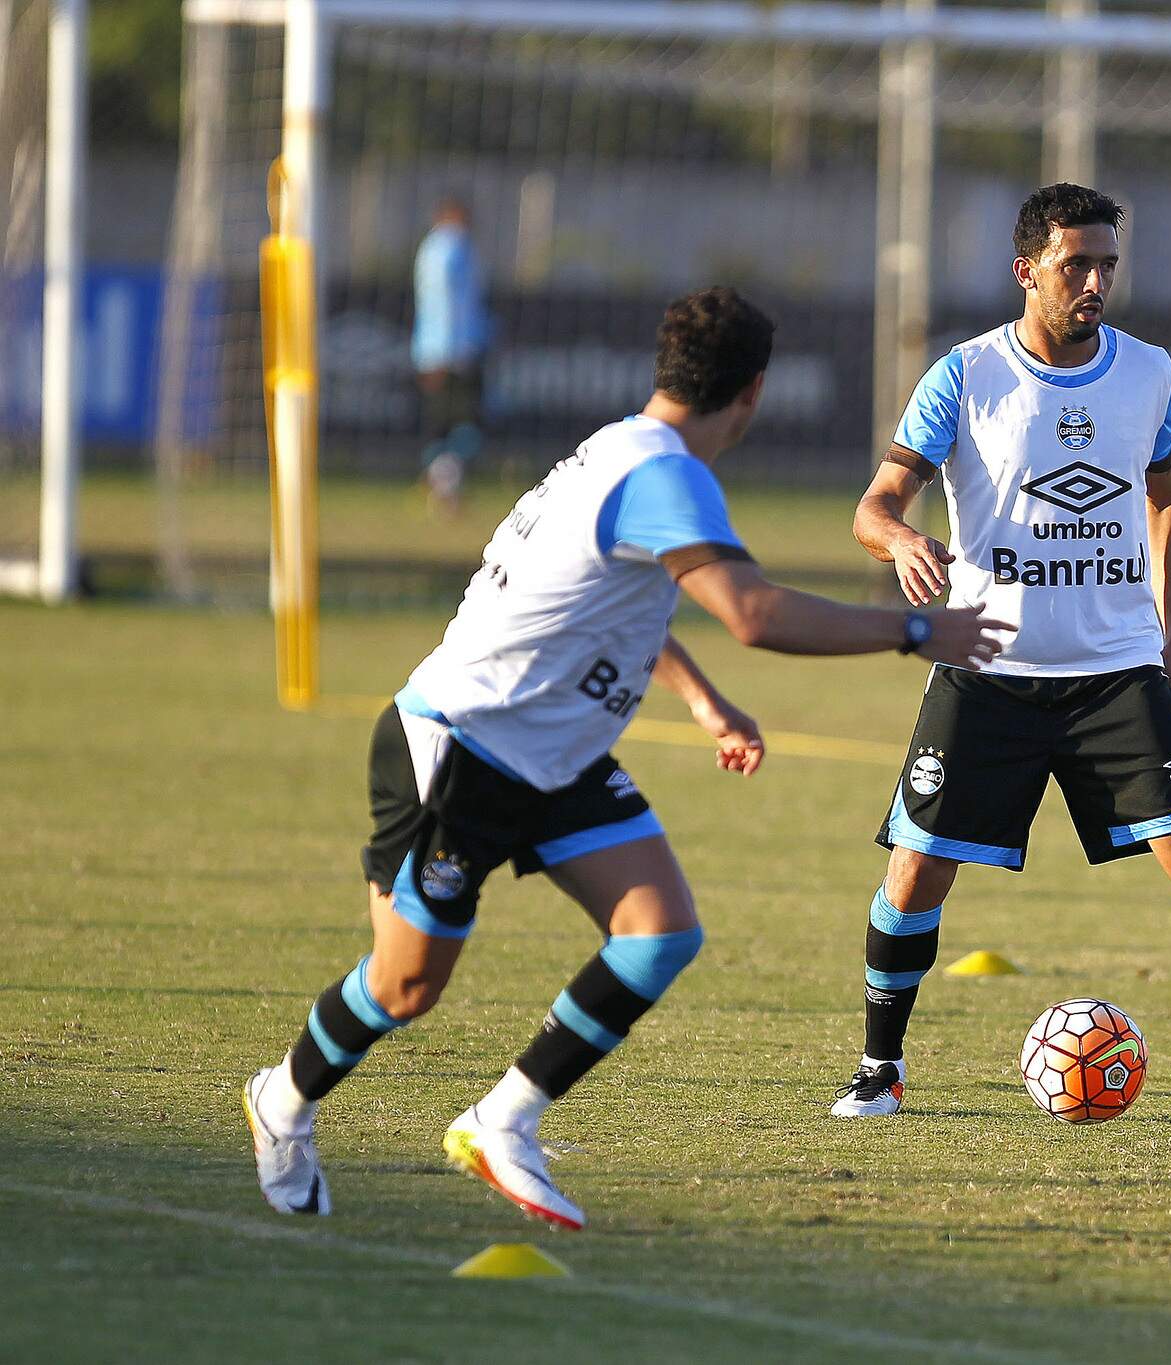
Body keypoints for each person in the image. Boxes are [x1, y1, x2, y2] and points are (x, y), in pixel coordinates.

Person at [241, 287, 1008, 1230]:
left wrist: (702, 699)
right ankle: (281, 1099)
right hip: (460, 746)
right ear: (754, 392)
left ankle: (503, 1119)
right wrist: (917, 629)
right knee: (405, 985)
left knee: (660, 931)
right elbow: (752, 613)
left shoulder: (621, 450)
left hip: (551, 756)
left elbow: (615, 601)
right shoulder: (664, 476)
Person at [828, 183, 1171, 1133]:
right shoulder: (963, 374)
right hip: (988, 668)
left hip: (1118, 672)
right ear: (1026, 270)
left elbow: (1165, 500)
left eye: (1108, 263)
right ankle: (880, 1068)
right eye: (1077, 264)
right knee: (916, 872)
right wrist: (902, 542)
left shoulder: (1148, 372)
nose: (1096, 281)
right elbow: (876, 504)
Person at [414, 197, 490, 514]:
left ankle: (443, 485)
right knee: (461, 423)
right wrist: (448, 351)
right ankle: (444, 487)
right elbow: (445, 301)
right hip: (451, 353)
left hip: (439, 350)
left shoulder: (436, 247)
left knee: (448, 424)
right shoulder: (450, 248)